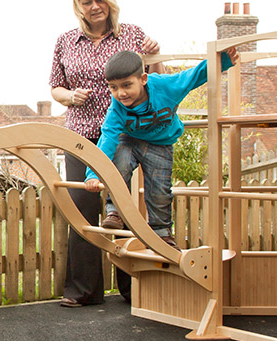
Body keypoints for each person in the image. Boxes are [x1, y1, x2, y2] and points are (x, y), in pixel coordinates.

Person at [49, 0, 164, 308]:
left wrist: (155, 56)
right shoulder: (65, 40)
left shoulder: (132, 35)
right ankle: (83, 291)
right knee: (83, 209)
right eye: (87, 2)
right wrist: (70, 96)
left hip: (125, 135)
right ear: (79, 7)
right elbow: (54, 86)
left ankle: (132, 290)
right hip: (80, 136)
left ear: (108, 1)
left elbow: (154, 78)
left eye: (99, 0)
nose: (94, 7)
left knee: (124, 209)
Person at [84, 49, 239, 249]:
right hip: (129, 140)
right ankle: (115, 210)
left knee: (159, 191)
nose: (121, 93)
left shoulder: (167, 87)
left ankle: (161, 233)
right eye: (113, 87)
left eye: (126, 85)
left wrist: (223, 61)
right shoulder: (116, 108)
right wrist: (93, 175)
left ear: (143, 79)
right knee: (119, 163)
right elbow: (107, 140)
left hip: (160, 144)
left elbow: (192, 76)